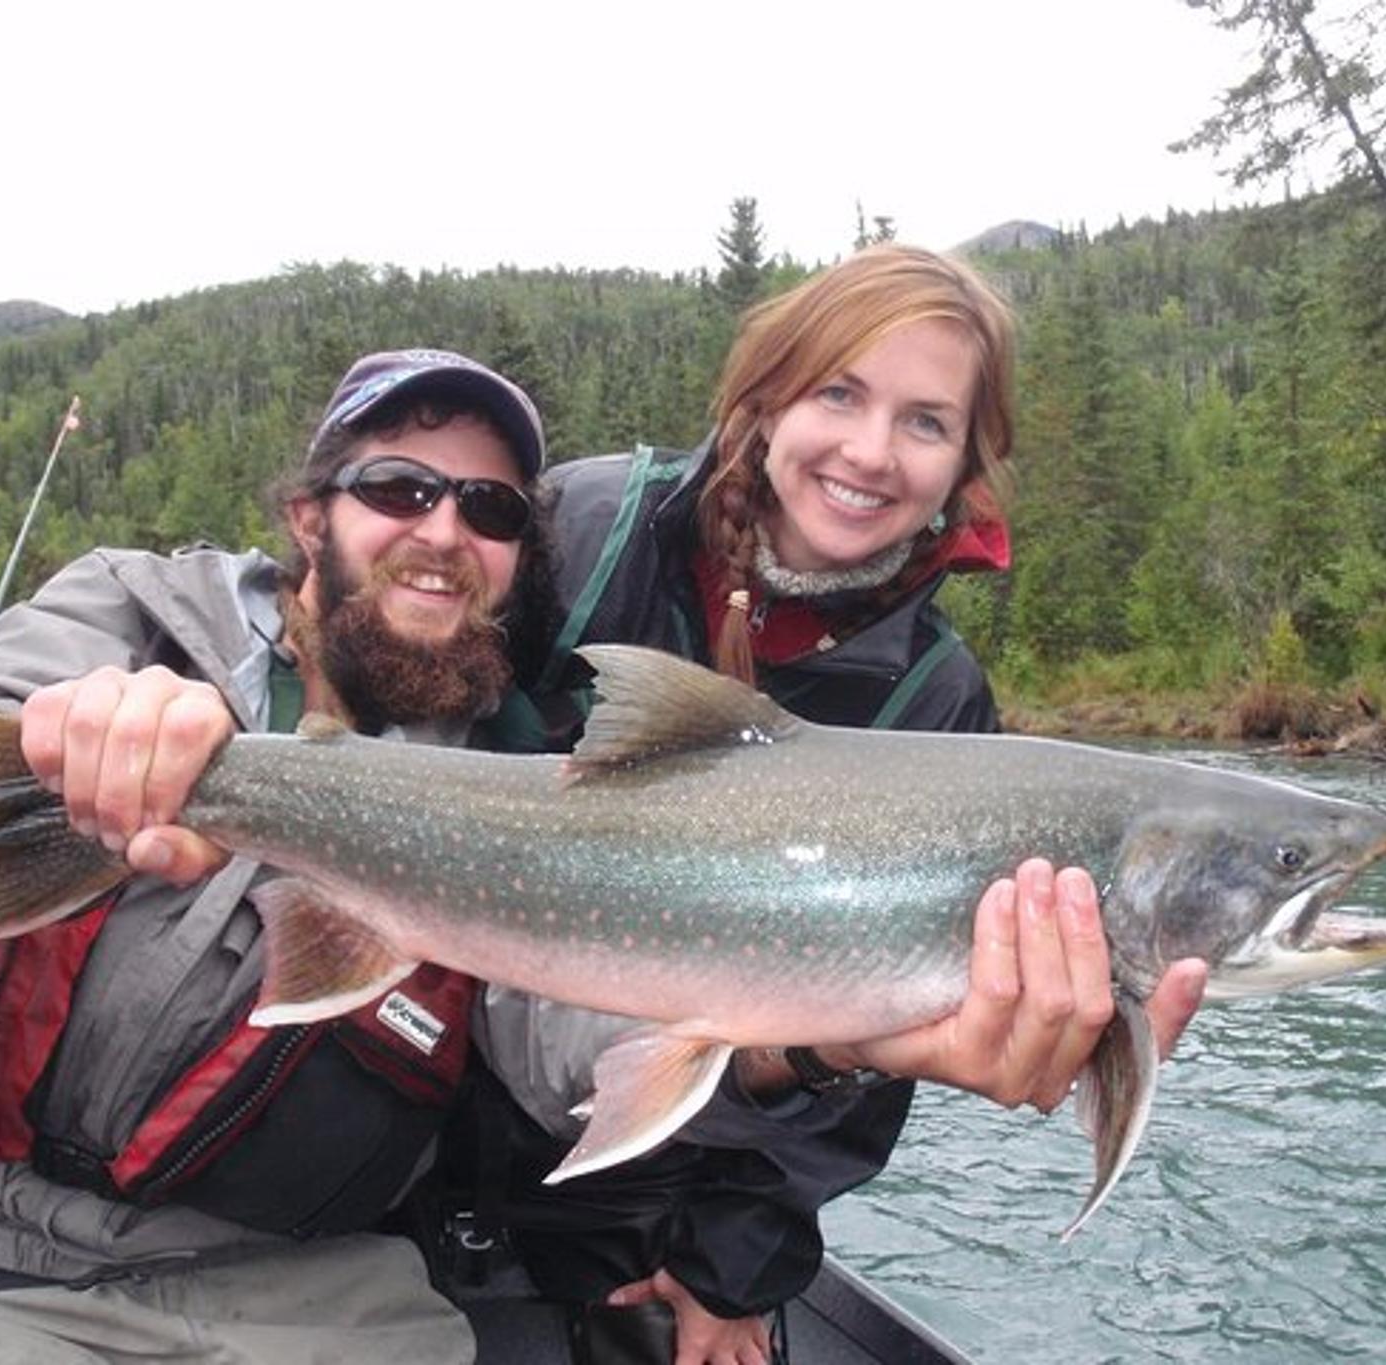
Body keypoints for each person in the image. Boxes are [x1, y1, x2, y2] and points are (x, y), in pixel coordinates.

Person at [462, 244, 1211, 1364]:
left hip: (639, 1183)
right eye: (838, 394)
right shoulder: (587, 526)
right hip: (420, 1089)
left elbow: (869, 1061)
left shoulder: (934, 695)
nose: (869, 453)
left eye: (924, 422)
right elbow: (396, 688)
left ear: (963, 460)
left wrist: (732, 1269)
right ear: (764, 404)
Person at [0, 348, 559, 1363]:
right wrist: (74, 749)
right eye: (400, 487)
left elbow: (554, 1048)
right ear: (312, 515)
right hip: (9, 1283)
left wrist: (798, 1055)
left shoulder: (513, 768)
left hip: (339, 1301)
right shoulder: (129, 610)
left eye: (492, 510)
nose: (444, 531)